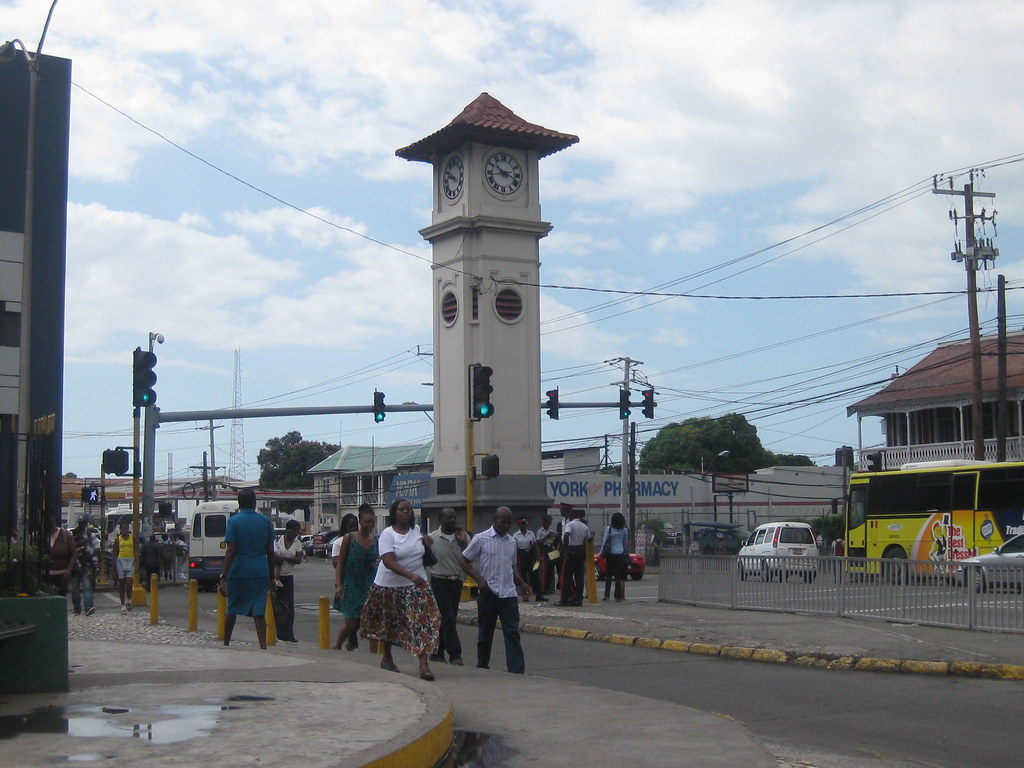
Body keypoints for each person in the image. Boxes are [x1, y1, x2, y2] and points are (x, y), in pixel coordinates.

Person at [359, 498, 440, 680]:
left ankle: (423, 664)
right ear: (395, 513)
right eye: (402, 509)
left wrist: (425, 542)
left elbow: (420, 551)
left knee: (423, 622)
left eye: (409, 510)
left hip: (417, 584)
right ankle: (387, 657)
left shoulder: (416, 531)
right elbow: (388, 561)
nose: (406, 512)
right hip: (389, 585)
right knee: (389, 623)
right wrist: (409, 575)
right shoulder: (388, 534)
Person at [459, 507, 531, 674]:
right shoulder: (481, 539)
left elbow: (510, 569)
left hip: (509, 595)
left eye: (508, 522)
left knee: (512, 632)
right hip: (489, 593)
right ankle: (483, 665)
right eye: (502, 521)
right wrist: (478, 579)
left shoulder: (512, 542)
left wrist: (523, 584)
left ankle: (516, 670)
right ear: (494, 520)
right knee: (485, 632)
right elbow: (463, 560)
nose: (506, 525)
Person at [219, 488, 275, 649]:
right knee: (259, 611)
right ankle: (263, 645)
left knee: (232, 608)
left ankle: (226, 642)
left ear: (239, 503)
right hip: (260, 570)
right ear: (254, 502)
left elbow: (230, 551)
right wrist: (272, 576)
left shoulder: (233, 522)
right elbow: (270, 552)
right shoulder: (265, 521)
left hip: (239, 571)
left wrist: (224, 576)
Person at [428, 507, 470, 665]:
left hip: (456, 581)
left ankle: (437, 652)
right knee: (449, 617)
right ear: (440, 519)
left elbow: (470, 557)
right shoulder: (431, 538)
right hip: (439, 581)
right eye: (448, 518)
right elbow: (426, 562)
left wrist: (463, 543)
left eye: (454, 517)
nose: (452, 520)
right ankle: (455, 654)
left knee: (448, 618)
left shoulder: (462, 537)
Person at [333, 505, 378, 651]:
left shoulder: (375, 541)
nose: (369, 525)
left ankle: (374, 656)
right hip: (351, 585)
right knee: (351, 624)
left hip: (369, 586)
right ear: (360, 521)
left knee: (371, 624)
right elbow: (340, 563)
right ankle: (338, 645)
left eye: (372, 522)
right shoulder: (349, 538)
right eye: (367, 522)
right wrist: (339, 584)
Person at [274, 519, 303, 642]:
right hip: (277, 576)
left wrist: (283, 558)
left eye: (298, 531)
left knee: (289, 607)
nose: (296, 533)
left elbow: (298, 559)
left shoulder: (297, 543)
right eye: (294, 530)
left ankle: (289, 633)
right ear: (287, 530)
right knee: (277, 606)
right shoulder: (278, 541)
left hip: (288, 576)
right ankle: (279, 633)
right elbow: (273, 555)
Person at [557, 508, 591, 606]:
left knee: (566, 576)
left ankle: (564, 599)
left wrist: (566, 550)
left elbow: (566, 535)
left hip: (572, 551)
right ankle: (578, 600)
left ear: (572, 516)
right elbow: (589, 539)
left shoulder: (570, 525)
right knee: (579, 576)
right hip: (581, 550)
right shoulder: (584, 526)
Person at [512, 516, 546, 602]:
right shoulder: (516, 535)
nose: (524, 525)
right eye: (522, 524)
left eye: (525, 524)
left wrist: (538, 557)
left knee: (534, 575)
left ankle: (539, 595)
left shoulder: (531, 533)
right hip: (521, 556)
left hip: (531, 556)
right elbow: (514, 549)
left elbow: (535, 546)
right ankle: (525, 596)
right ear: (519, 525)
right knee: (523, 576)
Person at [70, 518, 99, 615]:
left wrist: (89, 557)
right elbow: (69, 547)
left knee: (87, 586)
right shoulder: (72, 534)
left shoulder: (90, 535)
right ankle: (77, 609)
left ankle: (88, 607)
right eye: (81, 523)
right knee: (75, 588)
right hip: (75, 564)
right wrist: (80, 542)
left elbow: (97, 549)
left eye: (84, 523)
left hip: (86, 564)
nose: (82, 525)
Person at [44, 511, 76, 598]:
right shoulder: (40, 536)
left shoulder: (65, 535)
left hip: (61, 576)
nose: (50, 524)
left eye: (52, 521)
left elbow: (74, 554)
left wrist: (68, 571)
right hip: (45, 577)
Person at [600, 512, 629, 602]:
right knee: (618, 575)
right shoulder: (624, 530)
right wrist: (625, 552)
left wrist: (601, 553)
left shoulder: (609, 529)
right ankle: (617, 596)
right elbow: (625, 543)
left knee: (608, 574)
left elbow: (604, 542)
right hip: (620, 553)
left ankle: (607, 594)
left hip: (610, 554)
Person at [112, 519, 137, 614]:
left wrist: (137, 563)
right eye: (123, 529)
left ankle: (129, 599)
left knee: (129, 583)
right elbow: (114, 553)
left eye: (126, 528)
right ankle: (122, 604)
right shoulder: (118, 540)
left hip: (131, 561)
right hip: (120, 561)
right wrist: (113, 568)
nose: (125, 530)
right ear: (120, 530)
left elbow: (136, 550)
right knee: (121, 583)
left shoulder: (133, 538)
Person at [536, 515, 557, 594]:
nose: (549, 524)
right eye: (548, 522)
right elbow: (538, 543)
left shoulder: (551, 531)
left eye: (550, 522)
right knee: (545, 569)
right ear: (544, 522)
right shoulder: (540, 531)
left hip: (551, 549)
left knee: (551, 570)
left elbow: (555, 540)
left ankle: (548, 588)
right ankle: (543, 589)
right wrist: (546, 537)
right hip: (544, 549)